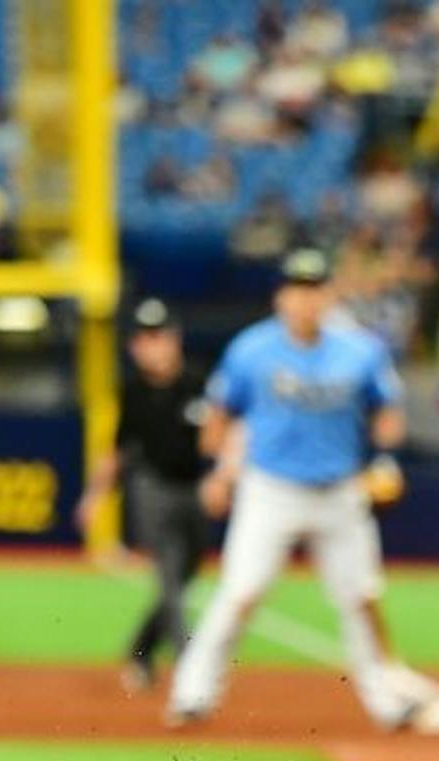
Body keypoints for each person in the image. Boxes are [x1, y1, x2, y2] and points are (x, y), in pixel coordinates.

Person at [165, 249, 415, 730]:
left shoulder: (360, 350)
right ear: (281, 296)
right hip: (271, 489)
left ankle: (385, 700)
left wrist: (385, 459)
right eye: (296, 289)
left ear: (328, 295)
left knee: (361, 596)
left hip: (340, 491)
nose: (305, 299)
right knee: (240, 592)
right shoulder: (251, 349)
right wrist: (220, 471)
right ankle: (192, 692)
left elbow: (387, 412)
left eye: (314, 288)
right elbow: (219, 418)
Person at [76, 297, 210, 694]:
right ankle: (192, 667)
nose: (152, 345)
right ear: (135, 346)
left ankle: (140, 650)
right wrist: (94, 497)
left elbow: (221, 435)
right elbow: (117, 450)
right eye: (144, 337)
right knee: (169, 577)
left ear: (175, 339)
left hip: (192, 489)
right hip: (151, 489)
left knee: (186, 575)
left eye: (158, 335)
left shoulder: (198, 384)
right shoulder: (132, 391)